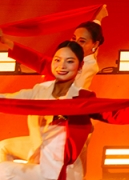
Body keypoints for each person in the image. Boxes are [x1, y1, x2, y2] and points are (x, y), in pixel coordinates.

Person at [0, 41, 94, 180]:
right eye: (57, 60)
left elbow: (103, 118)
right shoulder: (41, 90)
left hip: (63, 167)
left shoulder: (82, 97)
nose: (62, 66)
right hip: (40, 156)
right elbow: (10, 99)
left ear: (80, 67)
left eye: (69, 61)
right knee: (4, 159)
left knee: (5, 170)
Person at [0, 9, 108, 91]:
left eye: (82, 41)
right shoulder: (77, 56)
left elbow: (72, 95)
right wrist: (98, 19)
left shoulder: (87, 66)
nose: (75, 43)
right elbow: (39, 61)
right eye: (73, 38)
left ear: (95, 44)